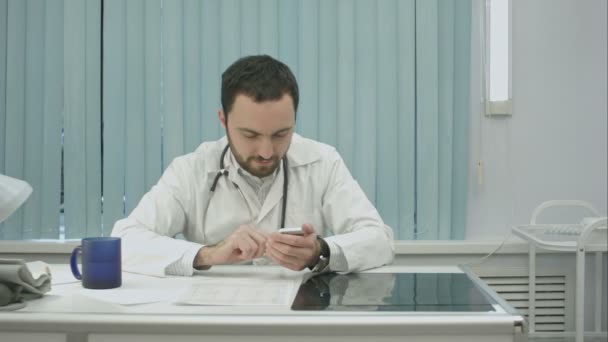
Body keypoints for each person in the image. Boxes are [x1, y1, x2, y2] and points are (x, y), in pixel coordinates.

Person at [111, 55, 394, 277]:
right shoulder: (191, 170)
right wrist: (209, 254)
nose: (267, 152)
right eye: (250, 135)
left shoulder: (323, 162)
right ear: (223, 120)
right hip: (216, 323)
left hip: (298, 322)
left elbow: (380, 240)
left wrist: (321, 251)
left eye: (281, 134)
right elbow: (123, 242)